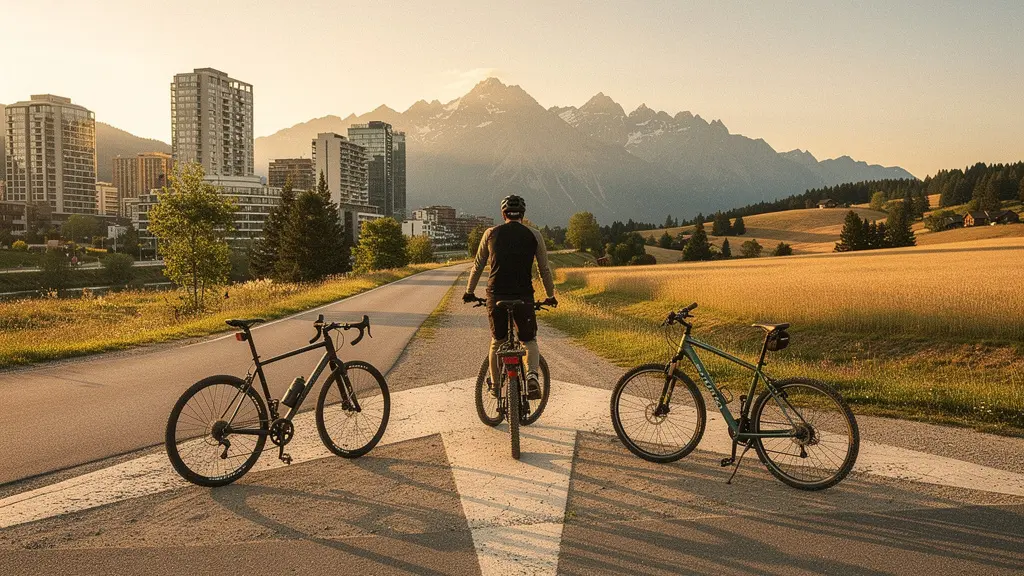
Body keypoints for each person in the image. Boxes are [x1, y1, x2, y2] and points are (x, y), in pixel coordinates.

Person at [464, 194, 556, 399]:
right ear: (523, 214)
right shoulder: (534, 235)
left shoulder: (490, 233)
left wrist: (469, 292)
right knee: (529, 340)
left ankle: (495, 386)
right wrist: (550, 295)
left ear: (503, 213)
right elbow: (544, 269)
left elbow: (478, 265)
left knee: (498, 341)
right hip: (523, 296)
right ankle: (532, 376)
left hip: (495, 295)